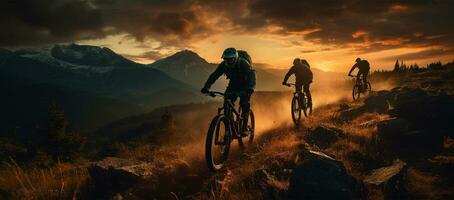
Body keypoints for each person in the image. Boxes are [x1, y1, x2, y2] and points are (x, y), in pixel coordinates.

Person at [201, 48, 256, 135]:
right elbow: (214, 76)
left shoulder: (243, 63)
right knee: (227, 103)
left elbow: (252, 75)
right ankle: (230, 128)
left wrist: (250, 88)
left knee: (244, 103)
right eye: (226, 59)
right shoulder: (224, 65)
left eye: (230, 59)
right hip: (233, 84)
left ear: (235, 58)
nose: (228, 61)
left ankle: (244, 126)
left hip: (246, 85)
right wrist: (206, 87)